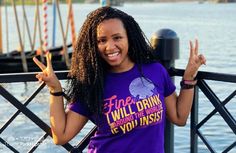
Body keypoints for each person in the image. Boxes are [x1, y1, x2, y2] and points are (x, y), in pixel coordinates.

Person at [33, 6, 206, 153]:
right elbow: (61, 135)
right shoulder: (93, 82)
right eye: (102, 40)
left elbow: (179, 117)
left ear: (129, 37)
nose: (110, 47)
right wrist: (55, 90)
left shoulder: (154, 71)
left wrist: (189, 77)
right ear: (94, 45)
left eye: (117, 38)